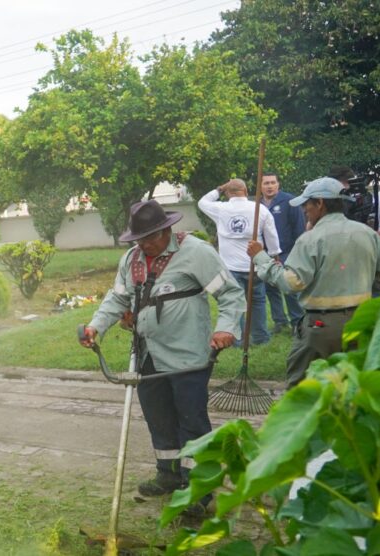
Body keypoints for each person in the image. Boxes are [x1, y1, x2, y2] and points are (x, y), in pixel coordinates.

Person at [78, 201, 243, 515]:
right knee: (159, 417)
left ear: (167, 229)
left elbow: (231, 294)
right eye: (139, 238)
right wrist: (95, 326)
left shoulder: (197, 253)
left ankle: (198, 490)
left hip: (187, 355)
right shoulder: (132, 259)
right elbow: (118, 297)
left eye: (150, 237)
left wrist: (225, 328)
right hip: (147, 354)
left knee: (191, 422)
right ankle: (168, 474)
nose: (144, 244)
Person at [249, 177, 380, 389]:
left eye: (306, 204)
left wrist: (261, 258)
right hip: (362, 323)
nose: (304, 210)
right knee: (354, 386)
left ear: (319, 203)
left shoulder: (310, 239)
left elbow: (291, 283)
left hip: (320, 327)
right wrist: (362, 287)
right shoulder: (367, 234)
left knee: (301, 388)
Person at [197, 179, 281, 345]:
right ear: (246, 190)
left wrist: (219, 187)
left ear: (228, 193)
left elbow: (202, 202)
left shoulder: (220, 208)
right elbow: (271, 235)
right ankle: (261, 338)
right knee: (258, 302)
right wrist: (274, 255)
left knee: (234, 303)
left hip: (230, 268)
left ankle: (238, 339)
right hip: (255, 265)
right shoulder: (259, 209)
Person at [260, 172, 306, 335]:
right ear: (260, 186)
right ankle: (280, 321)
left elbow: (299, 228)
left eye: (273, 182)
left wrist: (297, 253)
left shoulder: (289, 201)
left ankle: (297, 321)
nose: (270, 186)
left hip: (287, 252)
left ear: (278, 184)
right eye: (266, 183)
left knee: (290, 288)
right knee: (271, 288)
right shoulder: (256, 205)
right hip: (264, 254)